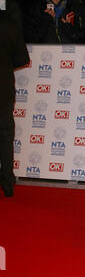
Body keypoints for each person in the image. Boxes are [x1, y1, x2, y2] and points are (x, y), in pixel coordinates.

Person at [0, 10, 29, 197]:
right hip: (3, 87)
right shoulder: (10, 25)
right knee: (5, 135)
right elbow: (22, 59)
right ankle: (8, 182)